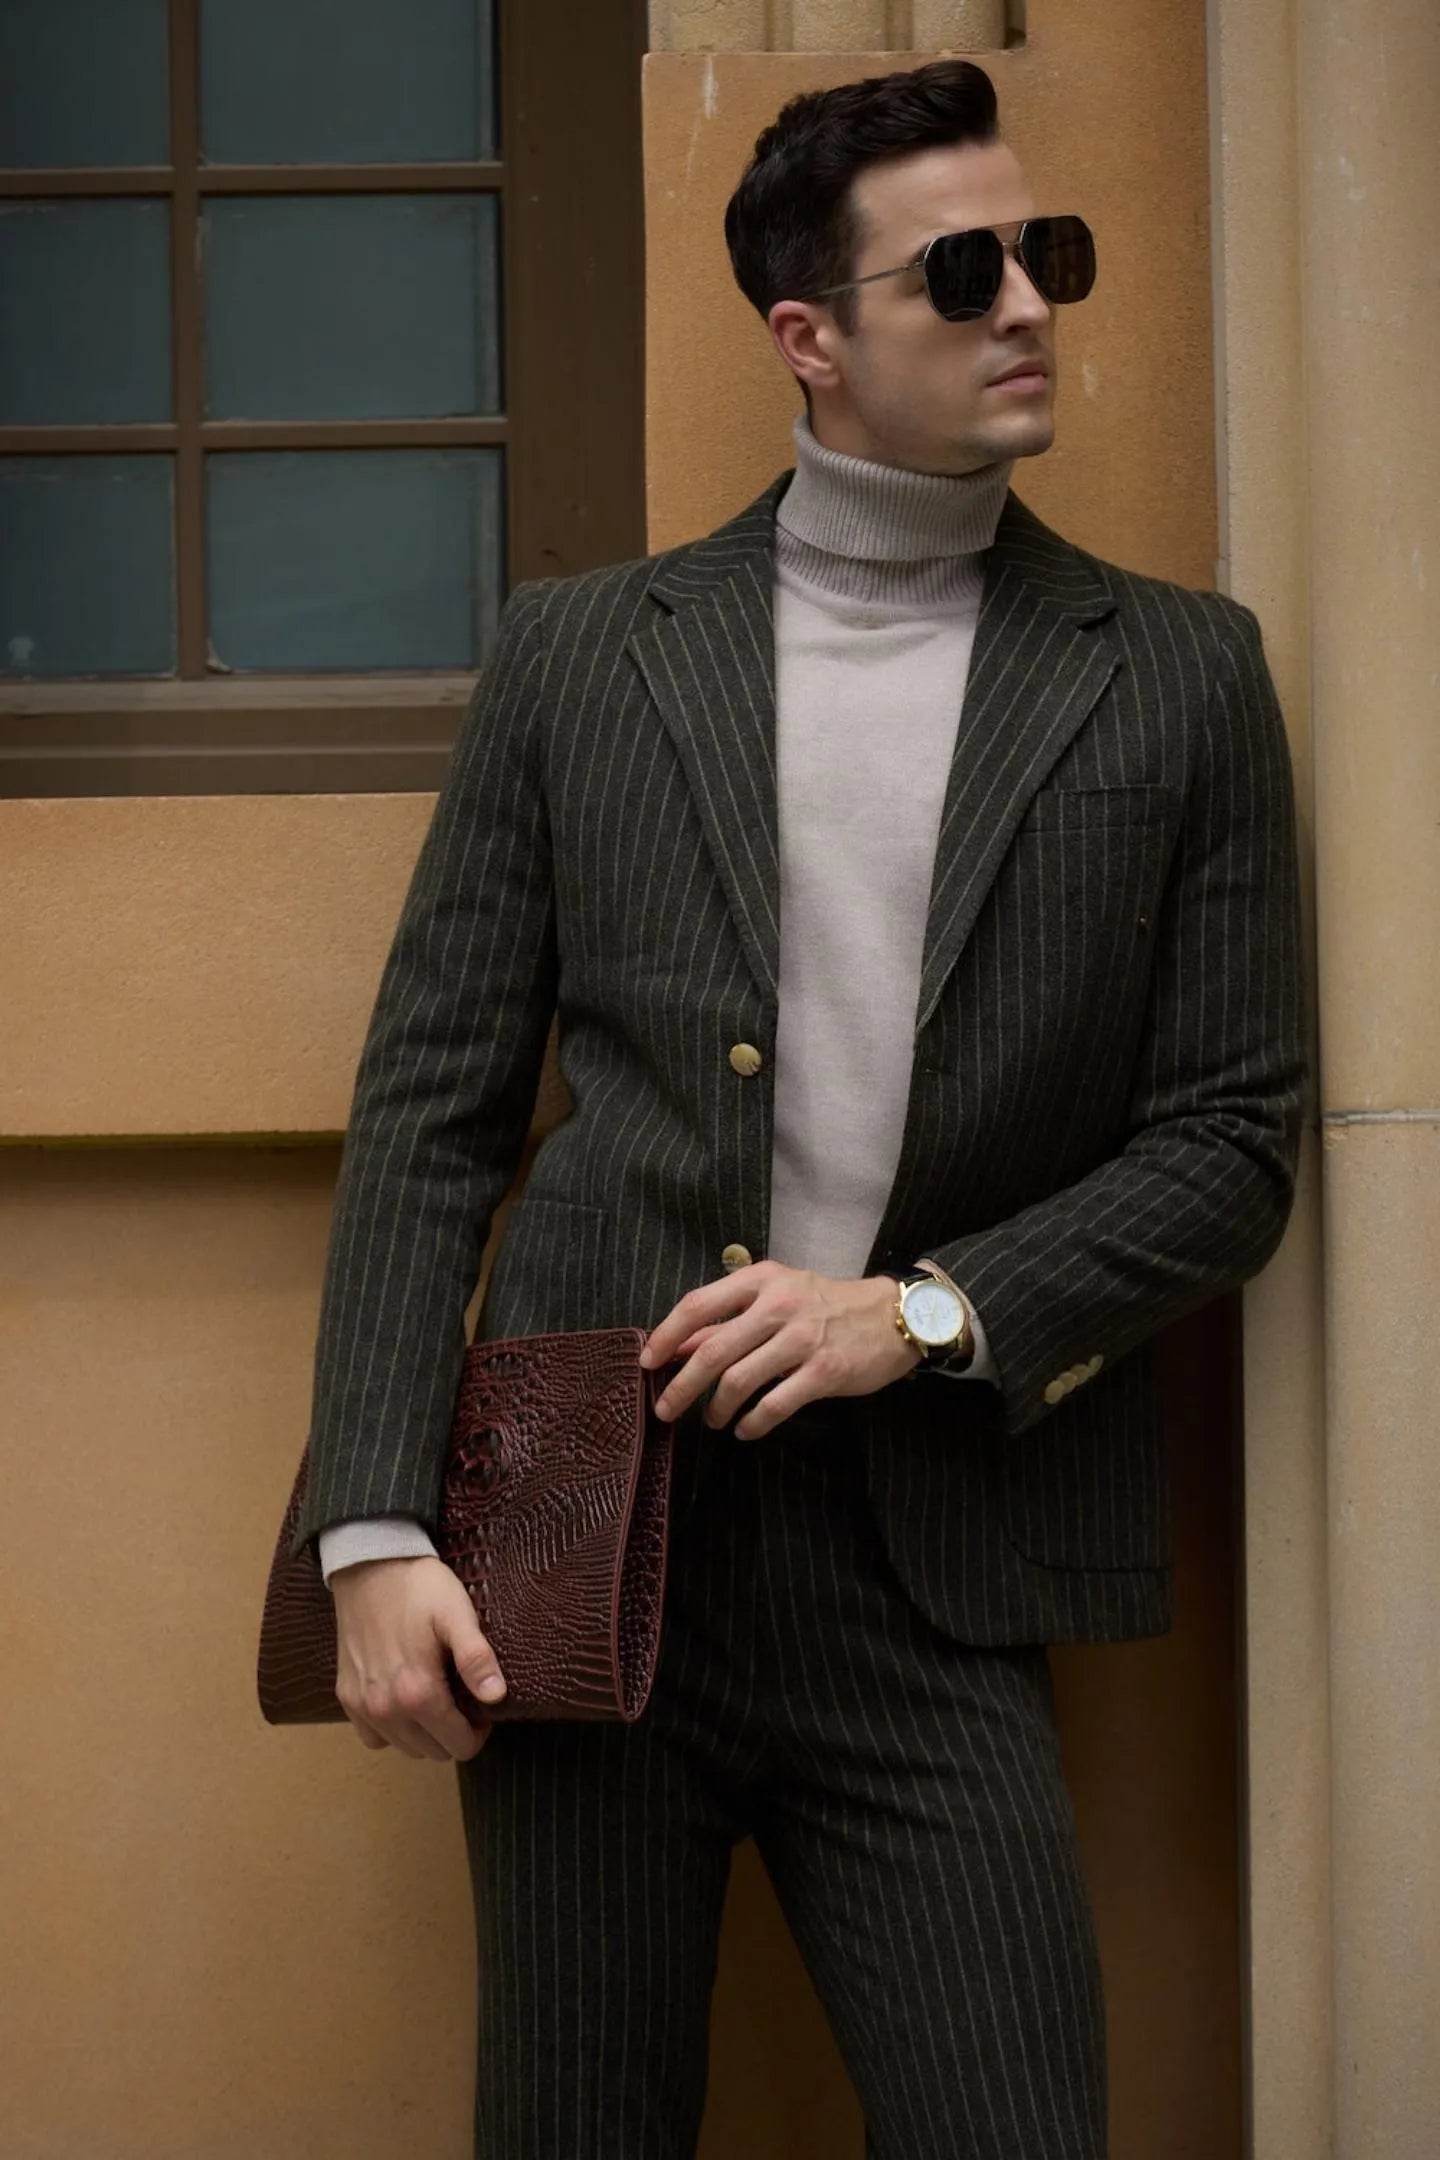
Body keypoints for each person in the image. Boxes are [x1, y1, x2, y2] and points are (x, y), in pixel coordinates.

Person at [289, 57, 1304, 2160]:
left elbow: (1231, 1139)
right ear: (809, 336)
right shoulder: (581, 658)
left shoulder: (1177, 672)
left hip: (936, 1554)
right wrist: (373, 1528)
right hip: (579, 1549)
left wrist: (917, 1312)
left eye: (1052, 255)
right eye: (963, 269)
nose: (1028, 300)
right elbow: (430, 1116)